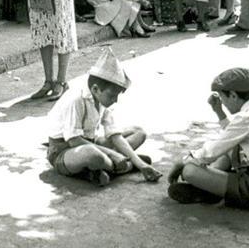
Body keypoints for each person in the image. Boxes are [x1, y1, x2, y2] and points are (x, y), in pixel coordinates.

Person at [167, 67, 249, 211]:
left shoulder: (247, 117)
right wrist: (219, 112)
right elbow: (233, 136)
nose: (222, 102)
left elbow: (210, 152)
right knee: (229, 149)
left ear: (233, 95)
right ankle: (213, 187)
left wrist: (181, 163)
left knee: (190, 170)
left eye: (222, 97)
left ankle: (211, 190)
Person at [45, 47, 162, 187]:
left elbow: (114, 135)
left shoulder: (101, 100)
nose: (115, 100)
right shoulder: (76, 99)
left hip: (92, 142)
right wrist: (113, 154)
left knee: (139, 132)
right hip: (64, 151)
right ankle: (123, 166)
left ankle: (106, 168)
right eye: (113, 95)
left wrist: (142, 165)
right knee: (93, 154)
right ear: (95, 89)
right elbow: (74, 141)